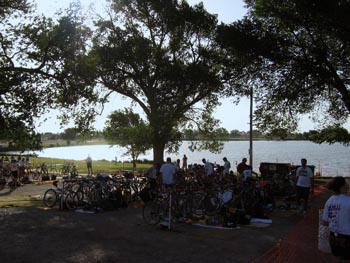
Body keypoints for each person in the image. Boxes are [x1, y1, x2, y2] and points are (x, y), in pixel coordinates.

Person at [322, 176, 350, 260]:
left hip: (333, 237)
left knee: (335, 258)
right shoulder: (348, 200)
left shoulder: (329, 201)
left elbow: (325, 222)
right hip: (346, 236)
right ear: (343, 186)